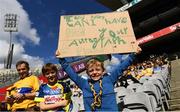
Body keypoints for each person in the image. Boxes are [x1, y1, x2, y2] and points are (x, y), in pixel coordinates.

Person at [56, 47, 141, 111]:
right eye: (91, 70)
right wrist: (61, 60)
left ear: (103, 71)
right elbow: (71, 73)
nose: (94, 72)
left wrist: (133, 55)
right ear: (88, 73)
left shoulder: (109, 79)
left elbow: (121, 68)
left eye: (97, 69)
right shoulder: (84, 84)